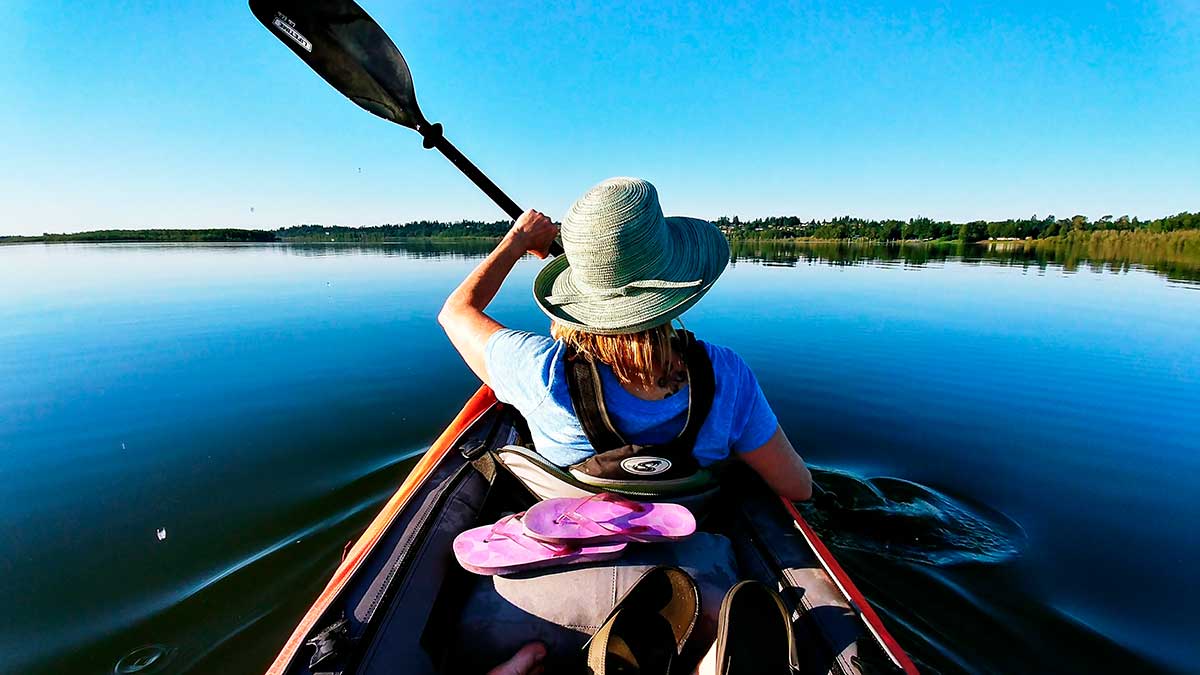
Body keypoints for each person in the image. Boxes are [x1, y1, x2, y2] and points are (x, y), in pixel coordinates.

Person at [438, 177, 811, 502]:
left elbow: (455, 312)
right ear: (676, 284)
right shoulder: (727, 375)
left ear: (580, 293)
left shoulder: (538, 370)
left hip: (578, 544)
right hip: (696, 544)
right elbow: (798, 488)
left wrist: (518, 239)